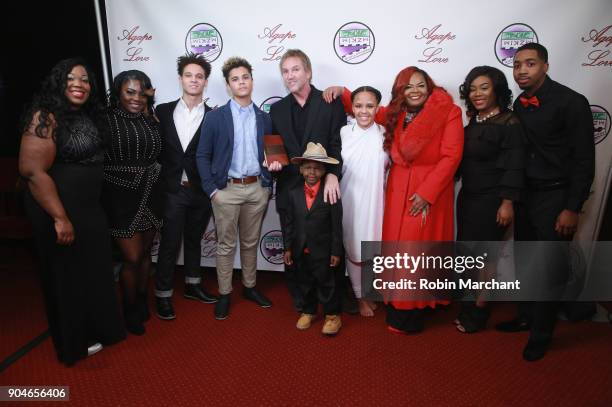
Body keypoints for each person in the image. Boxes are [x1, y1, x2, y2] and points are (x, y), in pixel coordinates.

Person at [324, 66, 463, 333]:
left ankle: (410, 312)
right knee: (397, 249)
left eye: (420, 85)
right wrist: (341, 91)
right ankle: (397, 302)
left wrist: (427, 192)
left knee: (417, 251)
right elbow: (366, 108)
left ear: (430, 86)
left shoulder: (449, 112)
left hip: (426, 190)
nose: (414, 90)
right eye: (408, 86)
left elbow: (452, 156)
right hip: (397, 190)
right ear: (400, 90)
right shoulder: (396, 114)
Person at [19, 57, 125, 366]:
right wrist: (60, 218)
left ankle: (100, 328)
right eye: (71, 79)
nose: (79, 84)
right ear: (58, 83)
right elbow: (33, 172)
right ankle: (74, 342)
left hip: (89, 209)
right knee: (66, 277)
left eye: (85, 80)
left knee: (95, 272)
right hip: (58, 210)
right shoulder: (45, 116)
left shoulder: (88, 116)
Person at [495, 43, 595, 361]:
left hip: (556, 196)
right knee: (525, 261)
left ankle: (542, 334)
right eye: (517, 65)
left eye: (530, 64)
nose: (522, 70)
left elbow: (584, 160)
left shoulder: (572, 102)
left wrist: (572, 207)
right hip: (526, 195)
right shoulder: (521, 105)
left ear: (545, 66)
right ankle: (526, 315)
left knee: (550, 268)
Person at [267, 49, 346, 313]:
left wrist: (334, 173)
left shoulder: (330, 102)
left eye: (295, 69)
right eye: (285, 71)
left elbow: (337, 144)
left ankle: (333, 306)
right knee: (294, 249)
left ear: (308, 72)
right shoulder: (276, 110)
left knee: (327, 249)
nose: (290, 75)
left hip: (323, 189)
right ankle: (303, 305)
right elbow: (274, 149)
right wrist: (273, 164)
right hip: (290, 190)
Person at [196, 57, 273, 320]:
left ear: (252, 80)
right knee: (226, 245)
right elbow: (201, 156)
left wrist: (268, 184)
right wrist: (212, 190)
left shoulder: (264, 118)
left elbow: (272, 153)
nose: (241, 82)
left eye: (245, 77)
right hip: (225, 191)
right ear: (228, 85)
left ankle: (250, 287)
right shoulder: (215, 117)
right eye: (235, 79)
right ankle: (225, 292)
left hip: (256, 189)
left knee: (251, 243)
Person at [454, 66, 525, 333]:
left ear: (497, 89)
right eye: (472, 89)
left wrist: (507, 202)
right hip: (468, 198)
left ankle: (480, 310)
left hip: (493, 202)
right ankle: (469, 304)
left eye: (484, 87)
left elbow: (515, 166)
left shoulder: (510, 122)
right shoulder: (474, 122)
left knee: (487, 259)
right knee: (470, 255)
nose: (477, 94)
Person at [155, 53, 218, 321]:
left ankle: (193, 285)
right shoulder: (162, 111)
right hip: (172, 188)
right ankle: (163, 295)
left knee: (194, 240)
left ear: (206, 81)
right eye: (189, 75)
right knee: (169, 243)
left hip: (200, 190)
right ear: (181, 79)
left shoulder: (215, 116)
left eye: (199, 76)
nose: (194, 80)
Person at [102, 70, 163, 335]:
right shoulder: (104, 121)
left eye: (141, 92)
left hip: (152, 193)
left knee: (146, 255)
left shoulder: (151, 120)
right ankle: (128, 309)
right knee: (132, 257)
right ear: (118, 93)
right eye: (129, 92)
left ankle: (140, 301)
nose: (136, 98)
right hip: (120, 197)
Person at [283, 143, 343, 335]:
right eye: (308, 167)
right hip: (301, 249)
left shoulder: (331, 192)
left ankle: (332, 316)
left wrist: (336, 251)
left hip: (324, 250)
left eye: (317, 168)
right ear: (301, 170)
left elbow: (336, 224)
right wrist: (288, 248)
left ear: (324, 170)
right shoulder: (292, 194)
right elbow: (289, 224)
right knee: (305, 282)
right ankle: (308, 311)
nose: (312, 172)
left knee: (327, 283)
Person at [339, 86, 388, 317]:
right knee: (354, 250)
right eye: (358, 105)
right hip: (351, 200)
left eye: (369, 106)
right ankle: (360, 298)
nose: (364, 111)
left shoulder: (386, 134)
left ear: (378, 107)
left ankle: (368, 293)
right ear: (352, 107)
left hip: (378, 201)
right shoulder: (343, 133)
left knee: (372, 249)